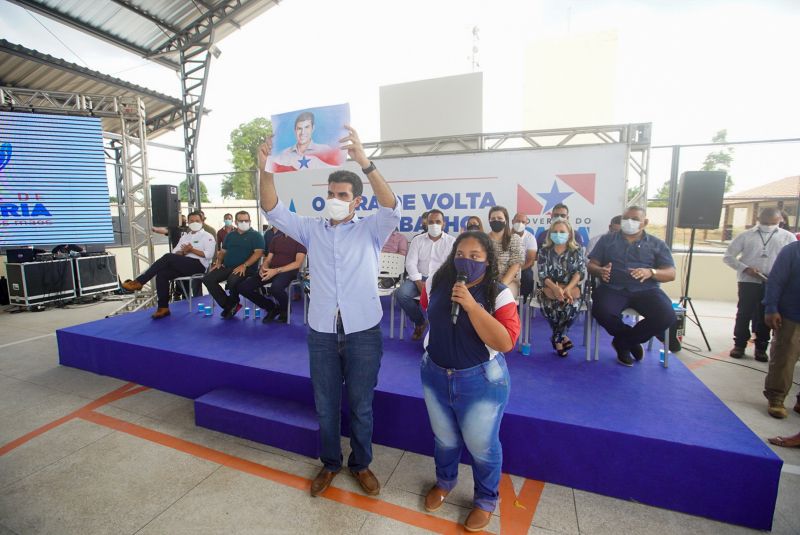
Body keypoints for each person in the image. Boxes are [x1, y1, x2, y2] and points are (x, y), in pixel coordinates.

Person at [259, 125, 400, 498]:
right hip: (321, 330)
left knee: (361, 404)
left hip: (363, 331)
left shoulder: (372, 229)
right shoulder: (311, 229)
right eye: (331, 194)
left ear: (355, 202)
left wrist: (365, 164)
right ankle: (330, 463)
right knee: (325, 405)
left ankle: (361, 464)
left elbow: (391, 205)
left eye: (343, 195)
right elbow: (271, 208)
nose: (335, 199)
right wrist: (266, 169)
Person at [419, 231, 520, 533]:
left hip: (481, 382)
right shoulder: (436, 282)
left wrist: (472, 307)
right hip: (435, 374)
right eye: (461, 254)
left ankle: (486, 499)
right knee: (445, 439)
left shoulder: (498, 293)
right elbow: (428, 313)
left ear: (488, 261)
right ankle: (445, 482)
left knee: (482, 446)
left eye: (475, 256)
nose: (466, 261)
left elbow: (505, 342)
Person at [588, 206, 676, 367]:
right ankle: (630, 340)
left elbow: (670, 273)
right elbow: (592, 265)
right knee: (601, 311)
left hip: (646, 289)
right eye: (626, 218)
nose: (629, 222)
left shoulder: (657, 244)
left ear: (645, 222)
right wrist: (600, 271)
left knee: (666, 315)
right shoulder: (607, 241)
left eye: (635, 219)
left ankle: (624, 342)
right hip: (613, 288)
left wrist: (652, 272)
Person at [723, 208, 796, 361]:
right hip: (748, 281)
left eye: (772, 223)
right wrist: (746, 269)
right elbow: (728, 257)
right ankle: (739, 345)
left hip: (773, 283)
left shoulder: (788, 237)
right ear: (758, 218)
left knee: (767, 315)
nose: (768, 226)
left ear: (780, 221)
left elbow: (794, 261)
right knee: (744, 313)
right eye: (764, 223)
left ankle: (761, 348)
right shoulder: (745, 235)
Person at [122, 211, 215, 319]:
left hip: (198, 265)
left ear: (202, 222)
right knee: (162, 274)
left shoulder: (208, 236)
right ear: (188, 222)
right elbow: (175, 252)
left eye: (197, 221)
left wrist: (191, 250)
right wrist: (184, 252)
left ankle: (139, 281)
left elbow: (209, 255)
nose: (194, 223)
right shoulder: (185, 236)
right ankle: (163, 308)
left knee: (167, 257)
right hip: (183, 263)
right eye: (192, 221)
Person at [397, 210, 456, 340]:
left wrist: (434, 283)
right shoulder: (417, 240)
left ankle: (439, 331)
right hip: (418, 277)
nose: (434, 225)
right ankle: (420, 322)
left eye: (438, 222)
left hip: (440, 280)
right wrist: (419, 282)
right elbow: (410, 263)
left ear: (444, 224)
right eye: (431, 222)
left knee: (445, 299)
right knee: (401, 294)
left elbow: (451, 267)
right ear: (426, 223)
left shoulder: (452, 242)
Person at [762, 240, 800, 419]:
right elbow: (775, 281)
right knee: (784, 358)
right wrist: (771, 307)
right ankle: (776, 398)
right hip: (792, 315)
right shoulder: (792, 251)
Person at [537, 220, 586, 357]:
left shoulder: (577, 251)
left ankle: (557, 338)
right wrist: (555, 288)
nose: (558, 234)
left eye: (562, 232)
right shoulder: (544, 252)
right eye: (555, 232)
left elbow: (580, 272)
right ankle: (562, 337)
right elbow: (543, 274)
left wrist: (567, 289)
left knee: (573, 306)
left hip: (571, 289)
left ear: (569, 234)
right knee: (551, 308)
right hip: (548, 288)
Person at [238, 226, 307, 323]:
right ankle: (271, 307)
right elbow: (269, 258)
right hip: (271, 270)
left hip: (288, 271)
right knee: (243, 288)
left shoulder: (300, 240)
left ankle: (284, 310)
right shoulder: (276, 239)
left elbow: (297, 263)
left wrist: (276, 270)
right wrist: (264, 267)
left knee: (276, 288)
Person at [202, 210, 264, 318]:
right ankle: (229, 305)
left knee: (232, 280)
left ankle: (232, 303)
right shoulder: (230, 236)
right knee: (208, 279)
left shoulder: (256, 235)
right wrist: (218, 262)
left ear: (250, 221)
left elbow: (258, 253)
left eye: (246, 220)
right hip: (227, 266)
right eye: (241, 220)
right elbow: (223, 252)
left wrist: (244, 265)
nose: (244, 222)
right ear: (236, 222)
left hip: (246, 268)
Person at [269, 111, 340, 172]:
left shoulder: (326, 150)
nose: (303, 132)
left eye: (306, 127)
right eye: (299, 128)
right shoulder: (283, 154)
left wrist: (351, 158)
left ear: (313, 128)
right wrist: (267, 159)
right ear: (295, 130)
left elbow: (338, 175)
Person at [488, 206, 524, 298]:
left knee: (501, 296)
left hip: (509, 281)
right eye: (493, 218)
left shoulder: (514, 239)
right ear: (489, 221)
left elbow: (515, 265)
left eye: (500, 218)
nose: (496, 220)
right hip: (487, 281)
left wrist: (501, 285)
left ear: (506, 220)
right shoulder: (483, 239)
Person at [512, 212, 538, 301]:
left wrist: (517, 270)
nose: (520, 224)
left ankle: (523, 302)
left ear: (526, 224)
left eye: (523, 222)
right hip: (505, 266)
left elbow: (530, 261)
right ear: (512, 221)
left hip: (522, 268)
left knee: (528, 276)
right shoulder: (505, 235)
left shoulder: (530, 238)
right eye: (518, 221)